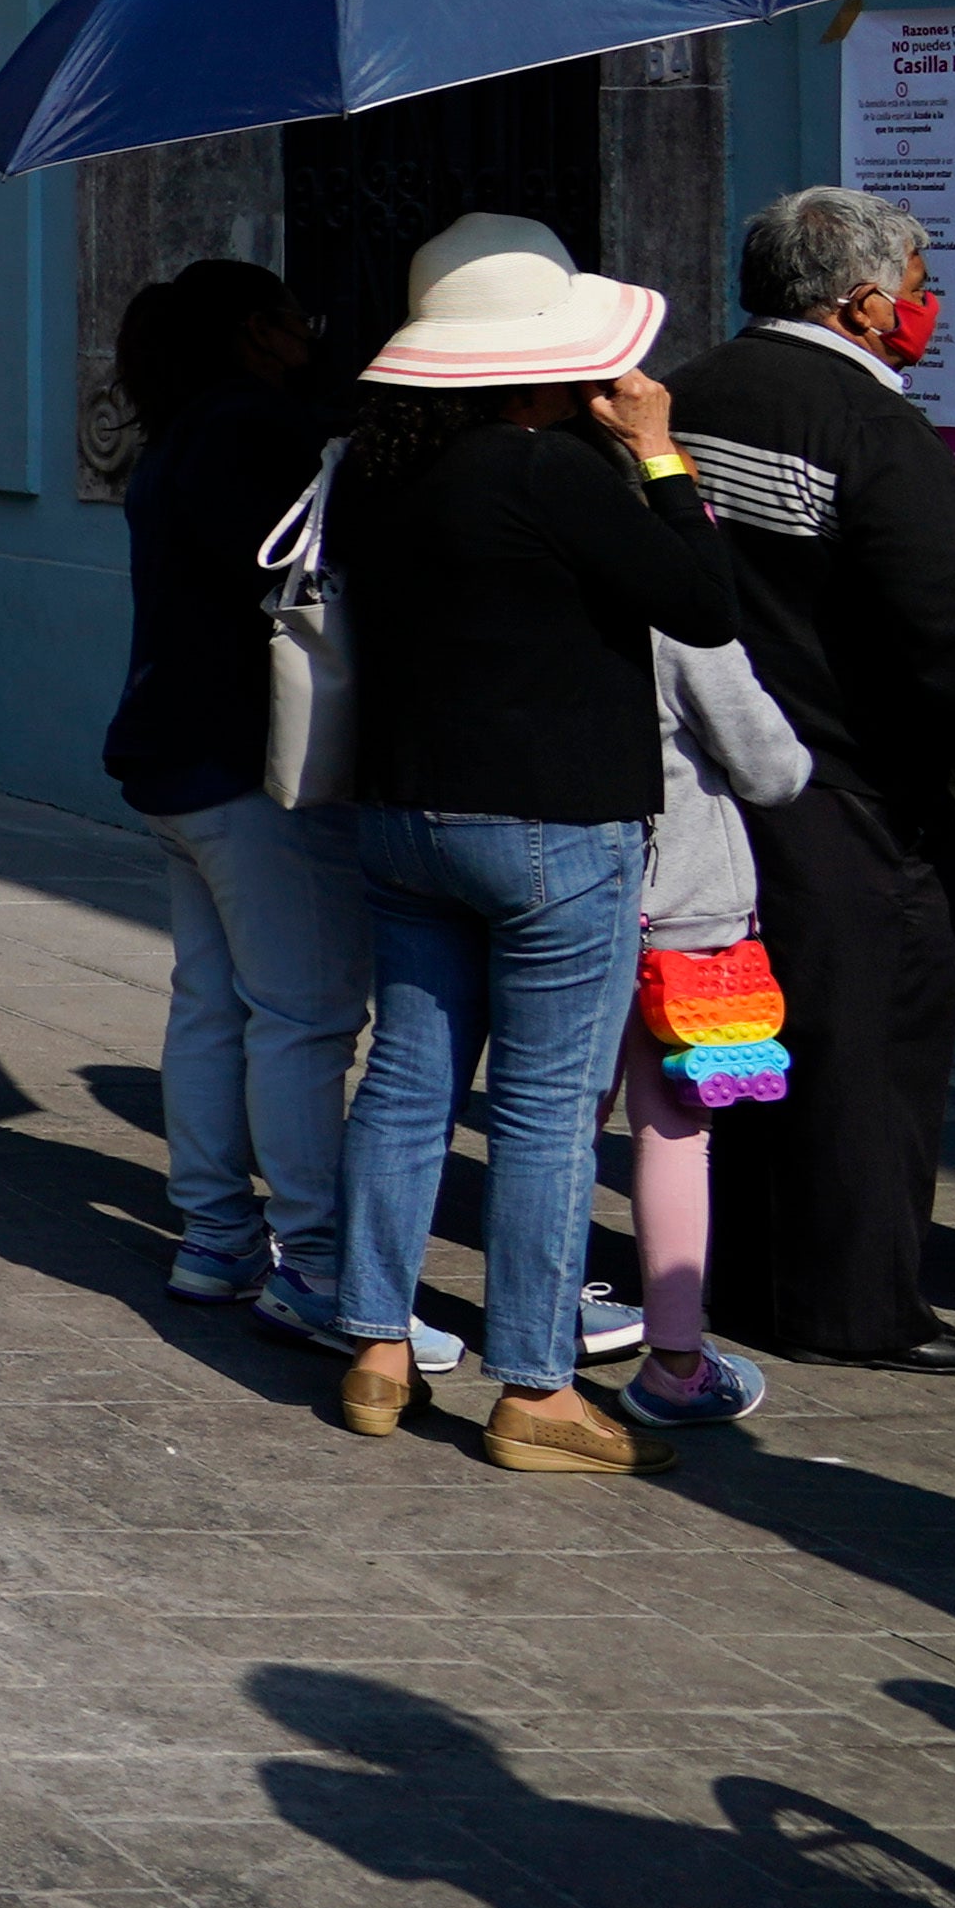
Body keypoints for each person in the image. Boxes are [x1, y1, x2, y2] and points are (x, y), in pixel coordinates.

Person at [323, 215, 737, 1470]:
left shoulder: (370, 467)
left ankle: (374, 1346)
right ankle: (533, 1386)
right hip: (553, 826)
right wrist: (659, 455)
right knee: (550, 1110)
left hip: (402, 814)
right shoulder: (545, 471)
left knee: (405, 1079)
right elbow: (700, 601)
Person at [666, 186, 955, 1372]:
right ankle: (855, 1307)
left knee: (751, 1041)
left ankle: (744, 1277)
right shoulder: (872, 429)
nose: (925, 306)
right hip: (858, 788)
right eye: (917, 284)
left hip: (726, 777)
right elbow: (949, 634)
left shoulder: (694, 390)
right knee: (868, 1052)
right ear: (861, 300)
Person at [100, 260, 387, 1347]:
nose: (308, 334)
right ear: (258, 333)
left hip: (178, 755)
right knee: (300, 1015)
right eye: (292, 318)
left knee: (213, 1002)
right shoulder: (253, 432)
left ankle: (215, 1232)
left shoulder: (178, 432)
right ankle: (309, 1254)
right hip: (252, 763)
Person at [610, 628, 812, 1431]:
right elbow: (773, 767)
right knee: (673, 1129)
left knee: (554, 1120)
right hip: (685, 909)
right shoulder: (677, 607)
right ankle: (676, 1362)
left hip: (564, 889)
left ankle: (538, 1334)